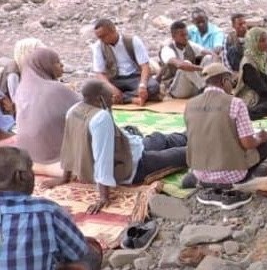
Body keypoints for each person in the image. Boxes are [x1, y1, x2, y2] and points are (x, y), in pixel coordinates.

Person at [54, 80, 188, 212]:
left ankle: (193, 134)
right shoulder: (100, 118)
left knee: (159, 138)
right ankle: (204, 144)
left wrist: (65, 176)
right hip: (132, 166)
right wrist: (104, 196)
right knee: (182, 154)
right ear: (100, 98)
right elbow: (102, 157)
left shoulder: (73, 110)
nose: (114, 99)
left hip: (133, 148)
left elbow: (69, 145)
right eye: (110, 97)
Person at [185, 63, 267, 209]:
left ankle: (206, 184)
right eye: (231, 81)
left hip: (199, 171)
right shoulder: (235, 103)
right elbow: (248, 143)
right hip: (232, 173)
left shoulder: (190, 104)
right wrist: (261, 137)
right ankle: (238, 183)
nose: (232, 85)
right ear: (224, 81)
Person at [12, 47, 79, 165]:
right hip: (53, 154)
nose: (62, 65)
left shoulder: (21, 89)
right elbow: (85, 107)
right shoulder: (55, 89)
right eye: (57, 62)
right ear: (45, 66)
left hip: (26, 152)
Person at [90, 18, 160, 105]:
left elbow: (145, 66)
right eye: (99, 37)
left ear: (113, 30)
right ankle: (132, 99)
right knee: (94, 91)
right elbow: (99, 74)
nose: (101, 40)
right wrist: (112, 88)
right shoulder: (98, 46)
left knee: (153, 87)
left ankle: (122, 98)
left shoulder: (132, 40)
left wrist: (142, 86)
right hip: (115, 79)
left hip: (135, 77)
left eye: (103, 36)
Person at [158, 20, 207, 99]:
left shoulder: (190, 44)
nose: (186, 38)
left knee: (208, 58)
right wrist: (203, 69)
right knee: (185, 65)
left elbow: (209, 53)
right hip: (176, 90)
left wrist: (213, 60)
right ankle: (205, 89)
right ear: (173, 37)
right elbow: (180, 65)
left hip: (193, 86)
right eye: (182, 35)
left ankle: (211, 87)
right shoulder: (167, 49)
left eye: (186, 34)